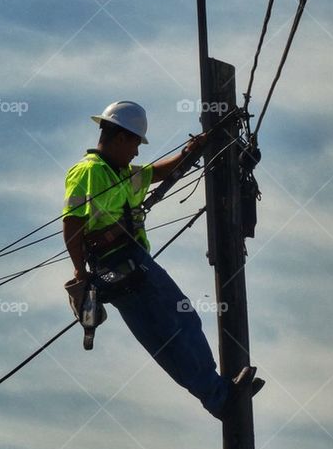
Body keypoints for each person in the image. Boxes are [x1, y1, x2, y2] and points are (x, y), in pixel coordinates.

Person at [61, 100, 261, 420]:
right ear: (122, 137)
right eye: (136, 144)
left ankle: (218, 395)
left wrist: (189, 153)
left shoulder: (120, 174)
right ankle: (219, 396)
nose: (137, 153)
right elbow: (72, 223)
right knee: (176, 327)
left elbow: (155, 173)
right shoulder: (91, 172)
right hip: (121, 263)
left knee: (172, 331)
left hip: (128, 265)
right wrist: (79, 271)